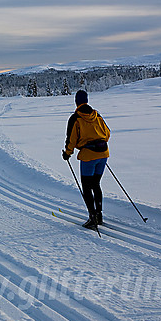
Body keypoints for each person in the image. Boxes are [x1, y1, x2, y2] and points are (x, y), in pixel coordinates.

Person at [62, 89, 111, 229]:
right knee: (96, 184)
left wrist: (67, 153)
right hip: (103, 154)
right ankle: (99, 214)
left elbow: (71, 139)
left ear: (76, 102)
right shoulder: (97, 115)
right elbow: (107, 134)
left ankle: (92, 217)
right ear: (87, 100)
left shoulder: (75, 118)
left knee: (87, 187)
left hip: (88, 156)